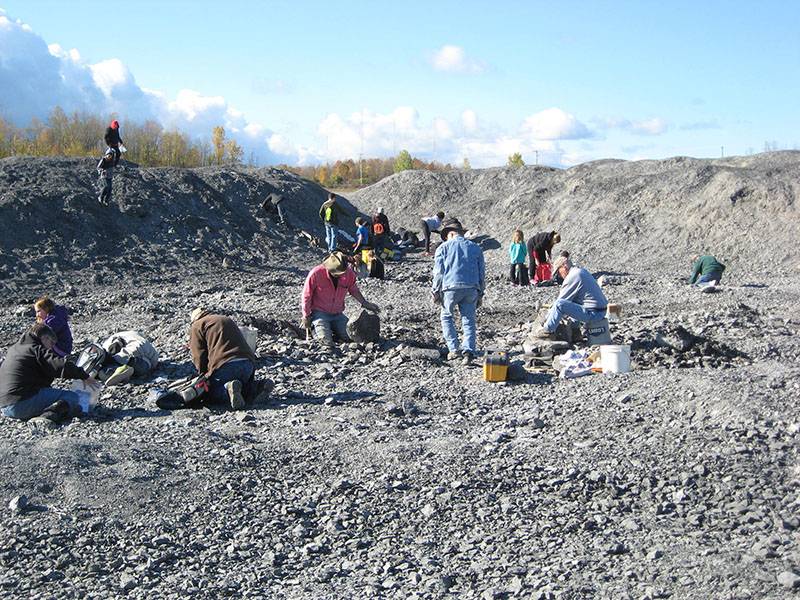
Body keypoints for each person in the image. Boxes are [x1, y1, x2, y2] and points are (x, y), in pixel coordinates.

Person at [0, 323, 98, 424]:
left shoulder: (15, 350)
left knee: (49, 392)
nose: (51, 348)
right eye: (51, 343)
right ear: (45, 338)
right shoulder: (36, 349)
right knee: (73, 397)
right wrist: (84, 376)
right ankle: (48, 416)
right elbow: (59, 365)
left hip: (5, 407)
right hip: (21, 404)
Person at [432, 217, 485, 364]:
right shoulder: (476, 248)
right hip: (472, 287)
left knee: (447, 316)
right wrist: (481, 292)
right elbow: (482, 273)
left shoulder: (443, 248)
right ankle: (468, 351)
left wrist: (435, 291)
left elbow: (438, 273)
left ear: (450, 234)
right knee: (468, 319)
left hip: (450, 287)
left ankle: (454, 349)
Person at [301, 251, 380, 350]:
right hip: (319, 313)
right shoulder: (316, 273)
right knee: (325, 342)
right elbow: (306, 296)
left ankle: (335, 334)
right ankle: (320, 332)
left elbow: (353, 290)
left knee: (353, 337)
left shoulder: (348, 273)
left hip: (338, 314)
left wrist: (365, 303)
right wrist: (306, 316)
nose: (339, 275)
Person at [188, 309, 257, 410]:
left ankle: (227, 389)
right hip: (248, 364)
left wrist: (202, 376)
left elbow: (198, 355)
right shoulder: (226, 319)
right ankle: (257, 387)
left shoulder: (198, 325)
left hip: (225, 365)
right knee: (243, 387)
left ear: (195, 319)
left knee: (211, 393)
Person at [534, 256, 608, 339]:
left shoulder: (573, 276)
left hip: (594, 314)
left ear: (564, 267)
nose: (559, 276)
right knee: (575, 300)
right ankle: (576, 333)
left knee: (559, 304)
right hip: (600, 311)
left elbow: (561, 301)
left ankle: (547, 331)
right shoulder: (581, 271)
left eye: (558, 272)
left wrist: (546, 318)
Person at [95, 331, 159, 385]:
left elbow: (116, 344)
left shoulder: (111, 340)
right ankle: (128, 371)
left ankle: (120, 370)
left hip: (135, 350)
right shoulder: (135, 335)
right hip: (151, 360)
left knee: (105, 369)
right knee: (141, 365)